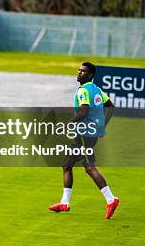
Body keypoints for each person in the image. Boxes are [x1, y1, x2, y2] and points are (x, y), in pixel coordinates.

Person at [48, 62, 120, 219]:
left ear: (91, 75)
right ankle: (64, 202)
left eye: (83, 71)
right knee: (67, 165)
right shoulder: (96, 90)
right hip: (89, 133)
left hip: (84, 134)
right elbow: (110, 106)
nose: (79, 73)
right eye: (79, 70)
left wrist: (68, 123)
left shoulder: (83, 91)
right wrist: (101, 125)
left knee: (89, 167)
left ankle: (111, 199)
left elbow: (84, 111)